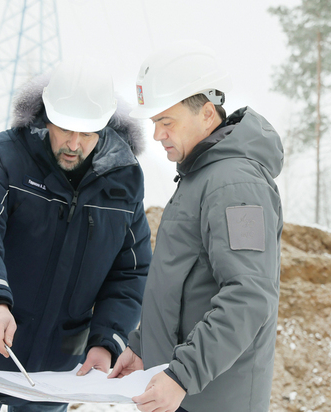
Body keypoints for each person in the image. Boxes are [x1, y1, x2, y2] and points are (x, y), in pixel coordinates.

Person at [0, 57, 152, 411]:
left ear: (105, 126)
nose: (74, 142)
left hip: (53, 374)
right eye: (65, 128)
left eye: (87, 132)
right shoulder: (4, 156)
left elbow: (130, 271)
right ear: (45, 115)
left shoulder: (124, 182)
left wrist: (106, 340)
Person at [108, 41, 284, 412]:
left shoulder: (236, 185)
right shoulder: (199, 176)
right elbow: (183, 284)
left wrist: (182, 375)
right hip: (182, 392)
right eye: (155, 123)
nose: (157, 136)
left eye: (166, 122)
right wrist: (142, 347)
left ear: (206, 114)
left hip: (211, 399)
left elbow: (248, 295)